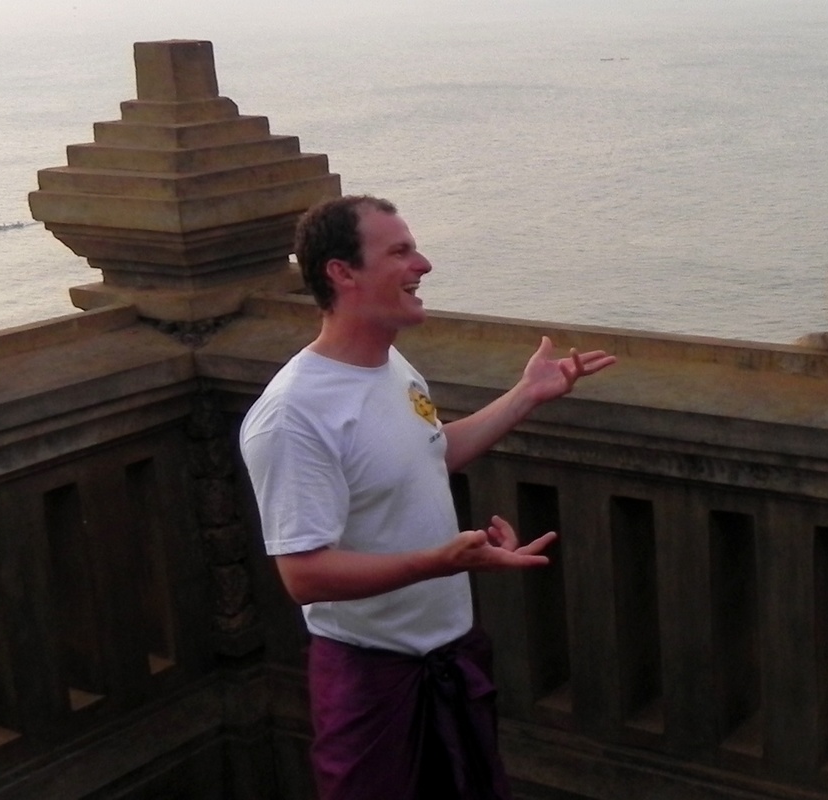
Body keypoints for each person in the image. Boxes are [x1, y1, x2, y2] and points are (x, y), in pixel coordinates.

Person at [239, 194, 616, 799]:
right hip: (371, 677)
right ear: (342, 272)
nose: (423, 265)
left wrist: (525, 395)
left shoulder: (392, 366)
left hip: (451, 656)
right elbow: (304, 575)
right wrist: (439, 561)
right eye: (400, 252)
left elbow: (428, 452)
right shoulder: (294, 413)